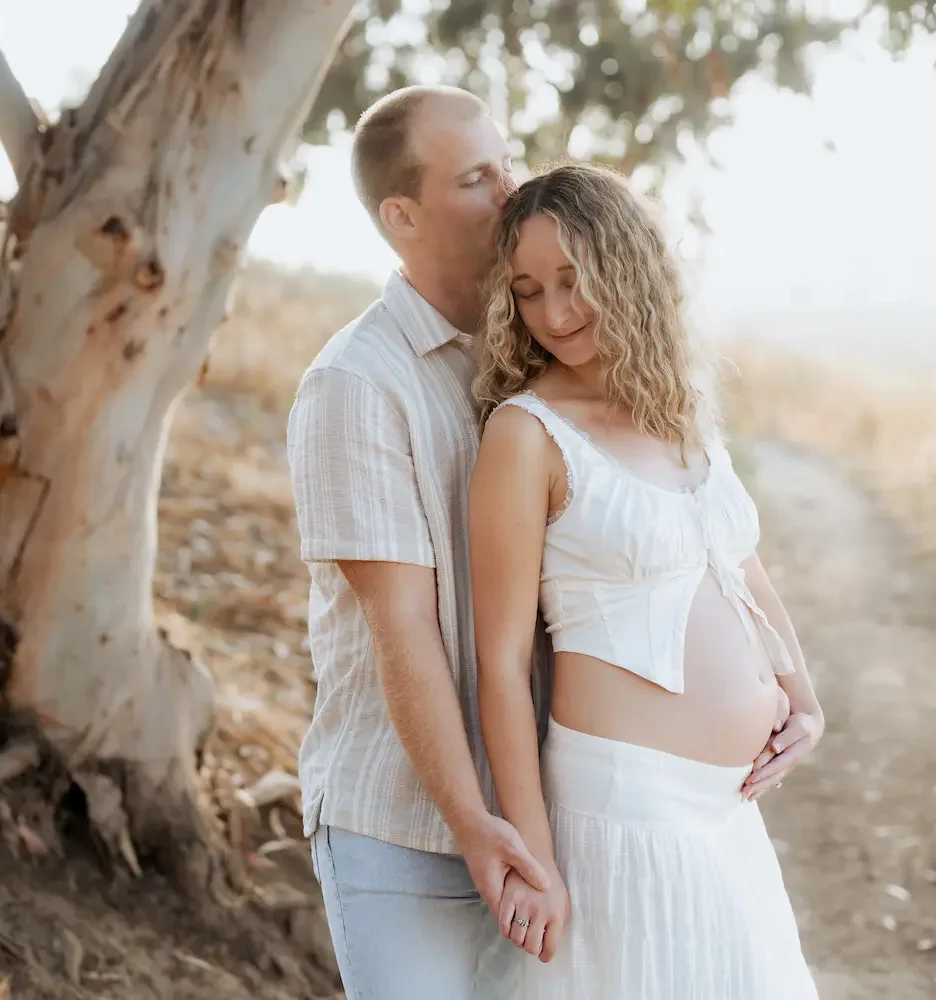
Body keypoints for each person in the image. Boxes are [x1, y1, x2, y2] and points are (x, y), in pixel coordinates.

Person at [467, 161, 826, 998]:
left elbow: (736, 564)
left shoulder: (675, 409)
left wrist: (803, 699)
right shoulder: (526, 437)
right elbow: (500, 665)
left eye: (572, 280)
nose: (553, 313)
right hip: (627, 812)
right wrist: (536, 858)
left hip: (727, 810)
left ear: (626, 269)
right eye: (527, 291)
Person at [285, 85, 554, 999]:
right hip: (405, 827)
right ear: (402, 216)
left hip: (545, 814)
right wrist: (475, 821)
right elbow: (402, 628)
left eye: (507, 160)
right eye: (478, 177)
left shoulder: (550, 357)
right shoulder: (355, 386)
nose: (513, 189)